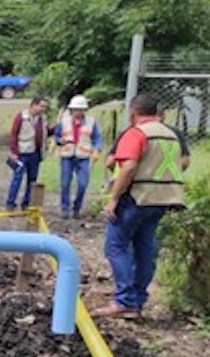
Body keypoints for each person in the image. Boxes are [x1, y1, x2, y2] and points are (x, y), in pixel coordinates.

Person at [94, 93, 189, 319]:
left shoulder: (136, 133)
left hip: (137, 197)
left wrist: (114, 198)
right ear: (158, 112)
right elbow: (184, 162)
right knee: (145, 248)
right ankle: (137, 300)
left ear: (133, 113)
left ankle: (124, 301)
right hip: (164, 199)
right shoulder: (172, 135)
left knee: (116, 247)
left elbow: (128, 167)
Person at [52, 94, 102, 219]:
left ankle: (77, 208)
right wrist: (60, 141)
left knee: (82, 184)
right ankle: (65, 208)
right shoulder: (63, 121)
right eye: (75, 109)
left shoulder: (91, 122)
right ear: (71, 110)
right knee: (65, 184)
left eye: (80, 110)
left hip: (83, 157)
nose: (78, 112)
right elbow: (56, 136)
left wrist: (96, 150)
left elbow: (97, 138)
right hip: (67, 156)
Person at [5, 95, 48, 210]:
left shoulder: (43, 119)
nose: (43, 109)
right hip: (22, 152)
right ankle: (10, 203)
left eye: (45, 107)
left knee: (32, 180)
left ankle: (26, 204)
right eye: (41, 106)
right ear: (33, 105)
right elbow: (13, 134)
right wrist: (14, 152)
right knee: (17, 178)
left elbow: (45, 132)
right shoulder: (21, 117)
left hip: (36, 153)